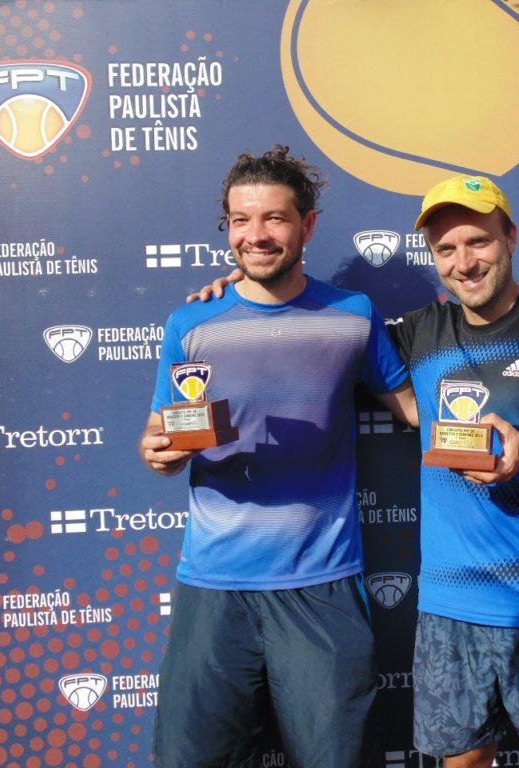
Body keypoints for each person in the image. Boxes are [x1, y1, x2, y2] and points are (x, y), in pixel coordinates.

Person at [192, 174, 519, 767]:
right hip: (448, 608)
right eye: (446, 249)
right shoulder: (414, 333)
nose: (464, 263)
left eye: (479, 242)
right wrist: (243, 285)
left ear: (511, 238)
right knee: (462, 762)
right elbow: (312, 327)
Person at [139, 146, 417, 768]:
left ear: (307, 225)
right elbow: (161, 434)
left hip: (322, 583)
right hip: (214, 586)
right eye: (241, 220)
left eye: (274, 218)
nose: (256, 235)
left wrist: (494, 412)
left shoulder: (353, 316)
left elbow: (412, 408)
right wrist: (158, 453)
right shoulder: (191, 322)